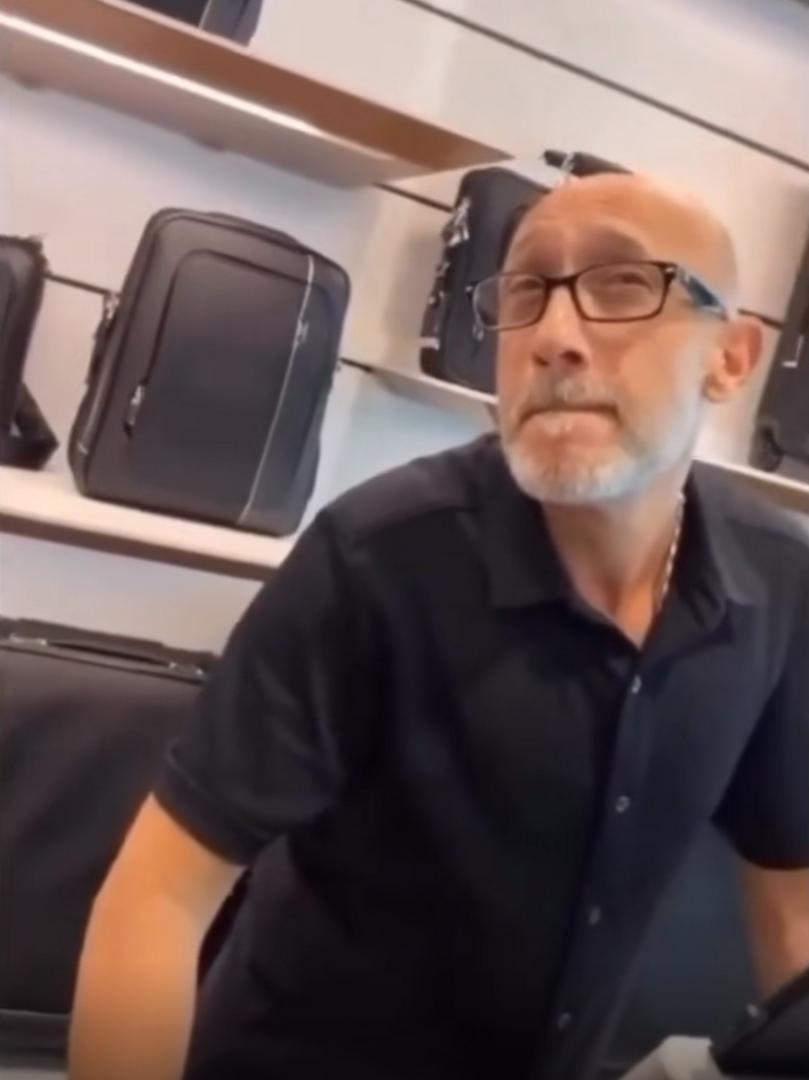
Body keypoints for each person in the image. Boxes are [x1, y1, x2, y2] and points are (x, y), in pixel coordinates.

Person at [69, 172, 809, 1080]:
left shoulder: (779, 584)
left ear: (730, 358)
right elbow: (156, 900)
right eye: (526, 291)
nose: (553, 335)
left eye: (623, 285)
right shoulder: (376, 556)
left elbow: (790, 899)